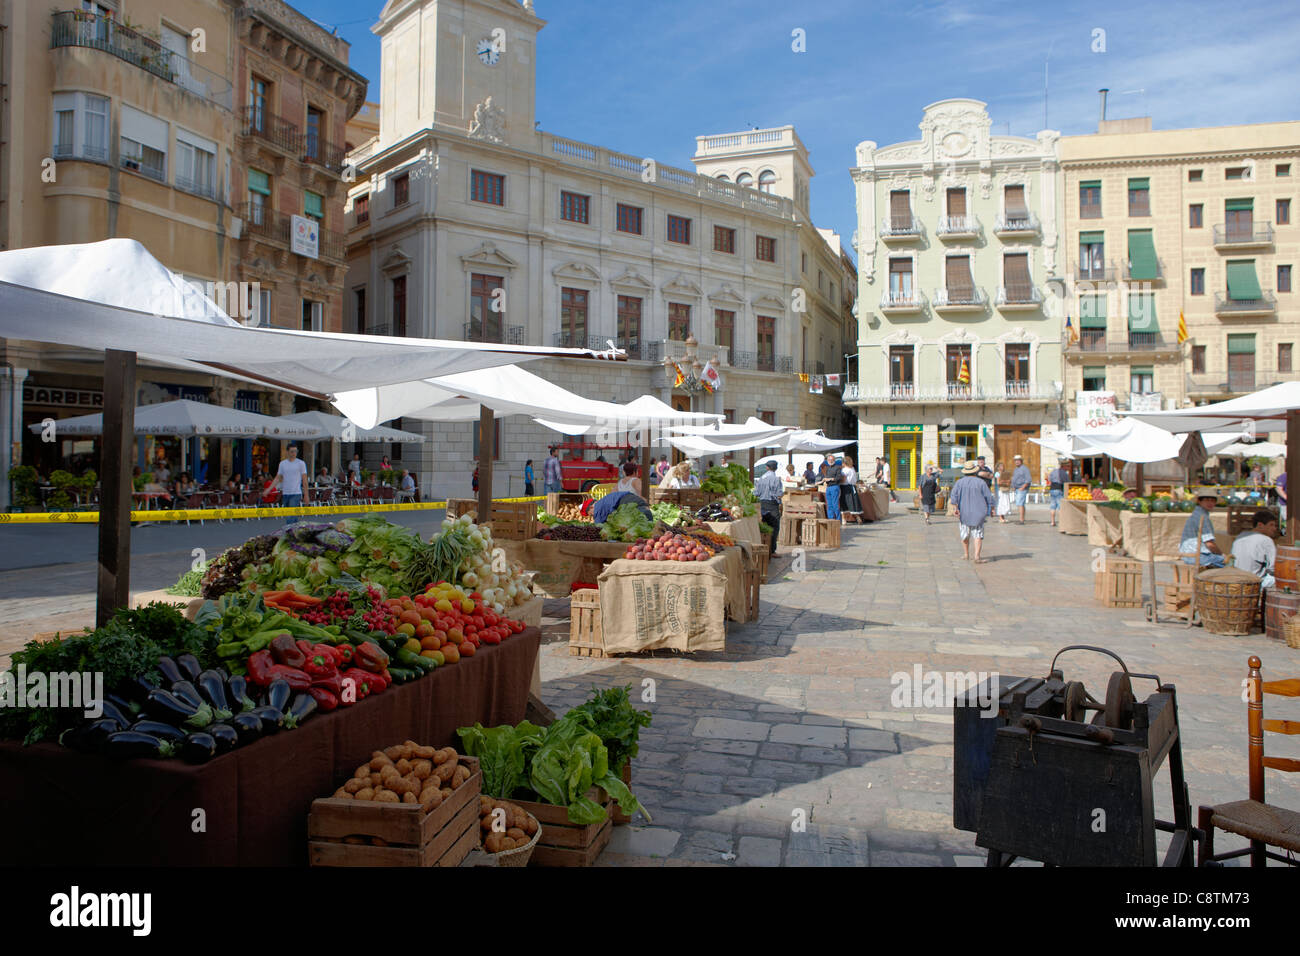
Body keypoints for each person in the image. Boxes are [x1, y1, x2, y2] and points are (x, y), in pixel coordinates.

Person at [951, 460, 996, 563]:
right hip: (979, 513)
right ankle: (977, 556)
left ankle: (966, 554)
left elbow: (954, 497)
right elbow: (989, 497)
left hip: (964, 512)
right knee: (978, 535)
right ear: (975, 471)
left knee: (964, 534)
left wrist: (955, 508)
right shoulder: (981, 482)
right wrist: (992, 509)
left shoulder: (959, 482)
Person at [1231, 508, 1279, 589]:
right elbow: (1273, 568)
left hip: (1236, 580)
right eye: (1271, 525)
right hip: (1253, 583)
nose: (1274, 528)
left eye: (1275, 525)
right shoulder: (1266, 540)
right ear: (1260, 525)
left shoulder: (1241, 536)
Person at [1180, 490, 1226, 568]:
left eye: (1212, 501)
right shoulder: (1202, 517)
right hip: (1196, 556)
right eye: (1207, 500)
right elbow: (1210, 544)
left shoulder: (1199, 513)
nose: (1210, 503)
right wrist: (1222, 555)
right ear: (1199, 501)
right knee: (1230, 563)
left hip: (1188, 555)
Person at [272, 444, 308, 524]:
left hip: (296, 493)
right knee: (292, 516)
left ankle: (288, 532)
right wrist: (269, 489)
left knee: (290, 517)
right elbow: (277, 478)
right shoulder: (282, 464)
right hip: (286, 493)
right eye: (292, 451)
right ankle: (296, 532)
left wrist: (306, 495)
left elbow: (304, 480)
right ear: (287, 452)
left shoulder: (301, 463)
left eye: (295, 451)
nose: (294, 453)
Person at [755, 461, 784, 555]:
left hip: (762, 503)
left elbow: (756, 493)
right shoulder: (776, 479)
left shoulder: (761, 478)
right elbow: (779, 494)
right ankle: (772, 550)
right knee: (775, 527)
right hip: (772, 504)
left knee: (765, 526)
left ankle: (764, 548)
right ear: (776, 468)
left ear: (767, 467)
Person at [839, 455, 863, 523]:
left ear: (844, 463)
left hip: (845, 487)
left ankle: (843, 519)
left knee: (844, 503)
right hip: (852, 487)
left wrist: (837, 481)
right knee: (853, 503)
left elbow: (843, 480)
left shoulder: (844, 470)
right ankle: (858, 518)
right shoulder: (852, 469)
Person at [1047, 460, 1070, 527]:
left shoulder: (1054, 471)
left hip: (1052, 488)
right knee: (1060, 506)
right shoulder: (1064, 473)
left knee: (1053, 506)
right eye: (1067, 466)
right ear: (1064, 466)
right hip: (1059, 489)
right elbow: (1067, 482)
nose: (1068, 468)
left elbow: (1049, 478)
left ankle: (1052, 521)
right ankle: (1061, 522)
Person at [1011, 454, 1032, 524]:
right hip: (1017, 488)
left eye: (1018, 460)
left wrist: (1022, 487)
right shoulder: (1016, 469)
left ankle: (1021, 520)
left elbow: (1028, 479)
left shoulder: (1025, 469)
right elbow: (1014, 478)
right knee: (1020, 504)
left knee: (1020, 504)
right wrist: (1013, 486)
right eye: (1015, 460)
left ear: (1021, 461)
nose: (1016, 462)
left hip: (1021, 488)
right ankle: (1022, 518)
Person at [822, 454, 843, 521]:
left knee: (835, 504)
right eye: (829, 460)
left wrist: (831, 479)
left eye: (832, 460)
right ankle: (831, 519)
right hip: (828, 487)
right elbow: (827, 477)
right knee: (829, 505)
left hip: (834, 487)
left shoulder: (837, 468)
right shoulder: (827, 468)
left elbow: (839, 477)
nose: (830, 461)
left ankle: (838, 519)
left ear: (834, 460)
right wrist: (824, 479)